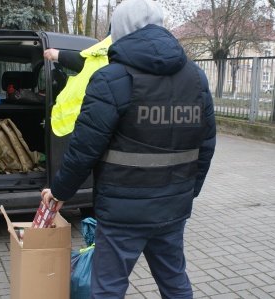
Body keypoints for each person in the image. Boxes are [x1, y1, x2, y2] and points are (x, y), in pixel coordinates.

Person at [41, 0, 216, 297]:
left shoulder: (111, 78)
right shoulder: (196, 78)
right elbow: (206, 146)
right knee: (175, 283)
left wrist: (59, 192)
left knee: (108, 288)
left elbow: (84, 149)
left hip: (122, 214)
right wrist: (187, 192)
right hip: (172, 209)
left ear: (119, 30)